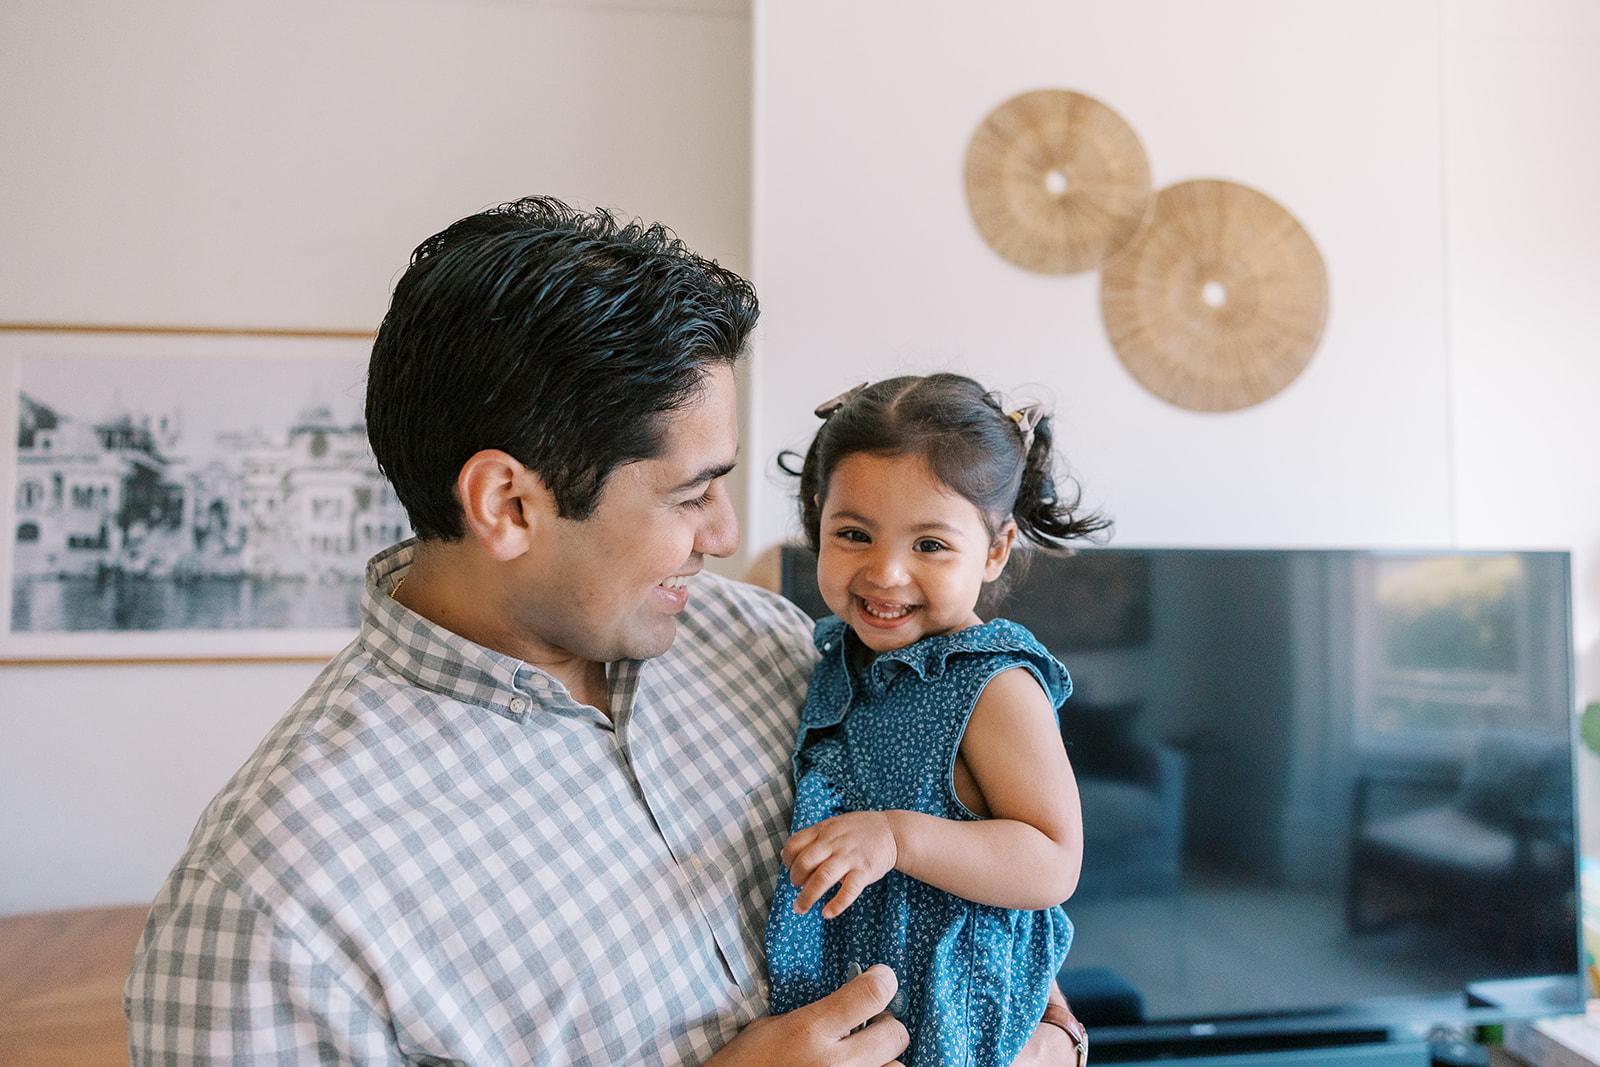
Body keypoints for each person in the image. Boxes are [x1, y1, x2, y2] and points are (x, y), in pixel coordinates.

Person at [123, 198, 1084, 1066]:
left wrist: (1048, 1035)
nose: (728, 535)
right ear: (508, 502)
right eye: (691, 492)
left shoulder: (776, 649)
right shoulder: (273, 903)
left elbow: (971, 891)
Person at [765, 374, 1108, 1066]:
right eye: (854, 534)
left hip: (964, 1026)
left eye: (929, 545)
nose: (885, 573)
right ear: (816, 524)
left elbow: (1052, 860)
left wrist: (898, 836)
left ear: (994, 548)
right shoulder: (837, 657)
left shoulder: (995, 684)